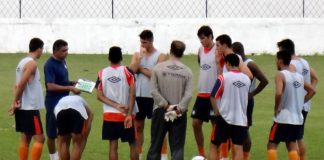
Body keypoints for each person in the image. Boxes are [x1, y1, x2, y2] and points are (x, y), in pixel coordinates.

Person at [147, 40, 192, 160]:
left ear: (170, 50)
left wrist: (165, 105)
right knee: (177, 148)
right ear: (182, 53)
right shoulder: (187, 71)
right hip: (179, 113)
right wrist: (178, 108)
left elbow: (153, 90)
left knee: (155, 146)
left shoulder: (157, 68)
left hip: (160, 110)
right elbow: (188, 95)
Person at [267, 50, 315, 160]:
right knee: (292, 144)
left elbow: (279, 93)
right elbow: (312, 90)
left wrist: (276, 108)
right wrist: (301, 102)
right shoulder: (299, 77)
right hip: (297, 118)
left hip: (283, 117)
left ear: (280, 61)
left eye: (276, 60)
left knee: (272, 144)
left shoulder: (281, 75)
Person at [277, 39, 318, 160]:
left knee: (291, 140)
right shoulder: (304, 61)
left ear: (284, 50)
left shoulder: (291, 66)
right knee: (299, 137)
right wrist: (306, 98)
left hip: (294, 107)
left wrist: (300, 100)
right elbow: (315, 79)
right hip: (304, 106)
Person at [129, 29, 166, 159]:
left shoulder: (160, 56)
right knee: (138, 126)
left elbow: (156, 75)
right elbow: (131, 71)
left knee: (158, 128)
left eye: (144, 42)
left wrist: (141, 69)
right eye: (141, 42)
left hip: (153, 96)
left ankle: (163, 156)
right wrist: (138, 60)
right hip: (139, 95)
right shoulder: (137, 55)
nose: (142, 45)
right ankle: (138, 155)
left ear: (151, 41)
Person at [215, 34, 252, 159]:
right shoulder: (222, 59)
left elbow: (249, 76)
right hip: (230, 104)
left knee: (232, 142)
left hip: (235, 105)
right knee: (232, 142)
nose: (216, 48)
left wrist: (236, 85)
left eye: (218, 45)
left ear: (225, 45)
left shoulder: (235, 58)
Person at [96, 46, 138, 160]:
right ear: (121, 57)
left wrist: (115, 106)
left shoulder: (102, 73)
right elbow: (133, 94)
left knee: (113, 146)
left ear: (108, 57)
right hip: (125, 115)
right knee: (133, 143)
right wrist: (129, 114)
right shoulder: (128, 72)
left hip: (109, 116)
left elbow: (99, 96)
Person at [44, 39, 80, 160]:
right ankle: (53, 157)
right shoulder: (49, 64)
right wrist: (69, 87)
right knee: (51, 134)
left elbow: (61, 80)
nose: (66, 53)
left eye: (67, 50)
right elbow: (50, 85)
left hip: (65, 102)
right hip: (53, 102)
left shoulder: (63, 61)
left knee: (65, 132)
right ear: (55, 51)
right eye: (63, 51)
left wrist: (71, 83)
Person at [9, 38, 45, 160]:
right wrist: (14, 102)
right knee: (40, 139)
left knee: (26, 138)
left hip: (23, 107)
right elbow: (22, 84)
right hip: (30, 108)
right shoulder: (32, 64)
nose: (42, 53)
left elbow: (16, 85)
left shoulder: (21, 63)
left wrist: (15, 101)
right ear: (39, 49)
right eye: (42, 50)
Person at [232, 42, 269, 160]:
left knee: (244, 131)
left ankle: (245, 157)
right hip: (236, 101)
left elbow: (264, 81)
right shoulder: (236, 63)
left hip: (246, 103)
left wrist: (252, 94)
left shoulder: (250, 64)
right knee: (232, 129)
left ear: (236, 52)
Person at [191, 25, 217, 158]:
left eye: (203, 38)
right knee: (195, 123)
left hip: (215, 95)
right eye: (200, 39)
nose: (201, 41)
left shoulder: (218, 50)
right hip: (202, 94)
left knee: (216, 126)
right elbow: (201, 65)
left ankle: (218, 154)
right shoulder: (200, 50)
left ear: (211, 37)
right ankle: (202, 154)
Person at [54, 95, 93, 160]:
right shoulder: (80, 99)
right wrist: (85, 135)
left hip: (60, 112)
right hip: (76, 111)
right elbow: (91, 114)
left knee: (63, 141)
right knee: (77, 143)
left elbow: (58, 133)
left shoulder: (60, 102)